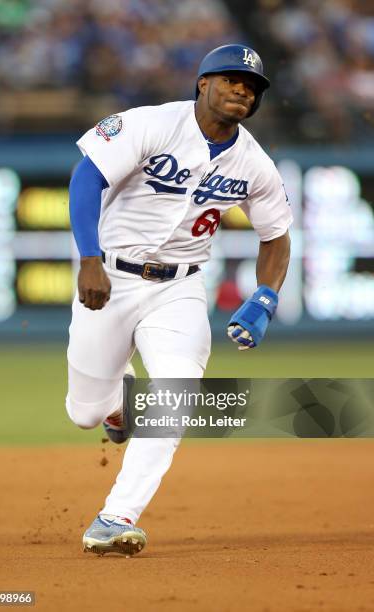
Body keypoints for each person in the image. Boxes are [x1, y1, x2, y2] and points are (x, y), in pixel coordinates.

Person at [66, 44, 292, 556]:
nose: (243, 90)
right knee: (84, 412)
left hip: (181, 287)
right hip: (111, 275)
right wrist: (88, 257)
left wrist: (263, 299)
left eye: (252, 86)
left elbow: (276, 235)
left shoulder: (253, 162)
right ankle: (117, 406)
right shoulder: (150, 124)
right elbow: (88, 177)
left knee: (175, 396)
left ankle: (115, 517)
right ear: (203, 83)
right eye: (233, 80)